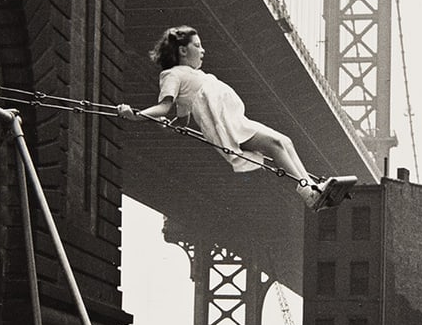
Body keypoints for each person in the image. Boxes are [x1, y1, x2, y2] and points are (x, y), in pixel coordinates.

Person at [117, 25, 356, 211]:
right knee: (275, 144)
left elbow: (182, 118)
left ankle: (313, 188)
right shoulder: (171, 74)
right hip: (223, 123)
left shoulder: (191, 74)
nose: (203, 50)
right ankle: (308, 193)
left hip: (233, 117)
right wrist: (134, 116)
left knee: (284, 141)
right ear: (182, 50)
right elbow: (164, 106)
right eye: (197, 45)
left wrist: (173, 126)